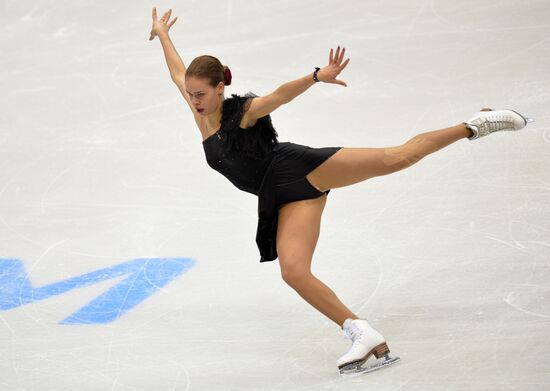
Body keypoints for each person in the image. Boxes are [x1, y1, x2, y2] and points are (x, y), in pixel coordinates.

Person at [149, 7, 533, 374]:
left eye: (200, 94)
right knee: (294, 272)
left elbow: (279, 96)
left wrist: (316, 76)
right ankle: (362, 333)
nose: (193, 101)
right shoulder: (197, 105)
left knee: (398, 158)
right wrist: (164, 34)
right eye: (190, 94)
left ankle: (477, 124)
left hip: (299, 169)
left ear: (220, 88)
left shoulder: (244, 112)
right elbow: (176, 71)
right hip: (281, 197)